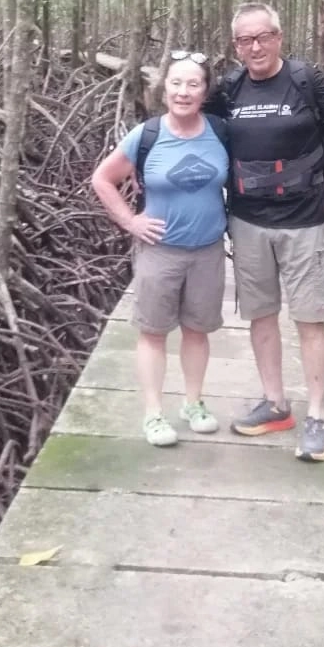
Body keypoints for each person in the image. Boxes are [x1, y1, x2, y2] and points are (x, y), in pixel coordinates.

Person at [210, 3, 324, 462]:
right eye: (245, 40)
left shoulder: (307, 80)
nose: (255, 47)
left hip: (303, 221)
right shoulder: (230, 88)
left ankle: (317, 416)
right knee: (260, 315)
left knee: (310, 319)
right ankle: (276, 404)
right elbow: (189, 123)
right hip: (246, 221)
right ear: (237, 46)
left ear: (279, 37)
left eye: (263, 36)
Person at [91, 52, 229, 447]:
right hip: (160, 251)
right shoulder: (146, 136)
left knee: (197, 331)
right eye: (176, 83)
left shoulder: (220, 132)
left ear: (205, 91)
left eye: (193, 84)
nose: (183, 92)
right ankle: (153, 414)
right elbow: (102, 179)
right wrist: (130, 221)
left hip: (207, 250)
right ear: (164, 88)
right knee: (153, 333)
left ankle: (194, 403)